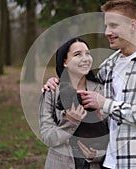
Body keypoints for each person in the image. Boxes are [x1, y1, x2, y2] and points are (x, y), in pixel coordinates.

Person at [43, 0, 136, 168]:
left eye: (113, 25)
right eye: (106, 26)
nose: (107, 32)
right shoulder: (110, 65)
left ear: (133, 25)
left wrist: (105, 104)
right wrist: (55, 81)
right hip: (112, 163)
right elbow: (84, 85)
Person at [39, 37, 109, 169]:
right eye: (78, 54)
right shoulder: (52, 92)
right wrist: (70, 121)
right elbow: (48, 137)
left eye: (88, 53)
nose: (85, 58)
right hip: (61, 164)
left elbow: (114, 132)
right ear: (64, 62)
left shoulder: (102, 90)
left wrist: (97, 154)